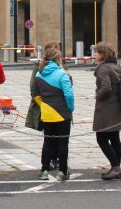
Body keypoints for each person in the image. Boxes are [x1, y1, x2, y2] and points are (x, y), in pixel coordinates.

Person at [32, 47, 74, 181]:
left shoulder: (39, 74)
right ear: (57, 59)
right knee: (63, 143)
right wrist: (70, 108)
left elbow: (35, 94)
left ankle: (44, 170)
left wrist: (43, 105)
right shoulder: (62, 74)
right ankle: (62, 171)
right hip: (62, 113)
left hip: (47, 112)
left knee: (48, 142)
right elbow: (69, 94)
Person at [92, 42, 121, 180]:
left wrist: (98, 95)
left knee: (101, 138)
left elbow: (106, 87)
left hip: (106, 108)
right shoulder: (116, 66)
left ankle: (115, 167)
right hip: (117, 106)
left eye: (96, 52)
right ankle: (117, 167)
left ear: (103, 55)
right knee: (114, 138)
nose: (94, 55)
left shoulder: (103, 68)